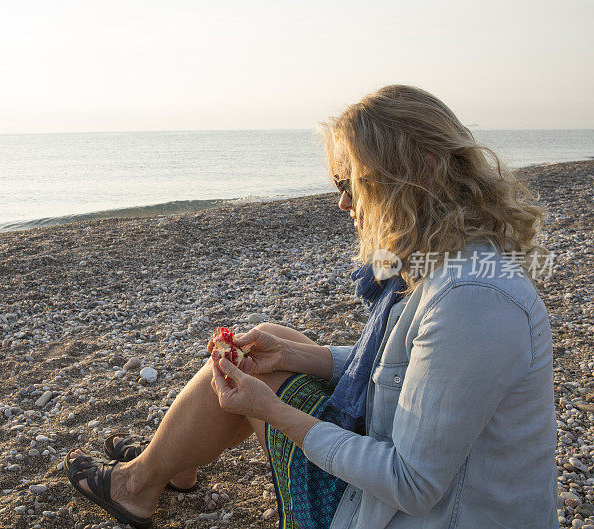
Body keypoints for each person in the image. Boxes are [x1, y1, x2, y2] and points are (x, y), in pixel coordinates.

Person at [65, 85, 558, 529]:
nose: (343, 203)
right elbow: (410, 368)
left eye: (353, 184)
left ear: (421, 171)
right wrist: (293, 356)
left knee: (259, 383)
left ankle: (140, 483)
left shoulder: (472, 301)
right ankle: (172, 460)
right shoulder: (453, 260)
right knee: (275, 339)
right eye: (337, 186)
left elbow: (411, 484)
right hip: (429, 495)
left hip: (406, 513)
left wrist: (274, 410)